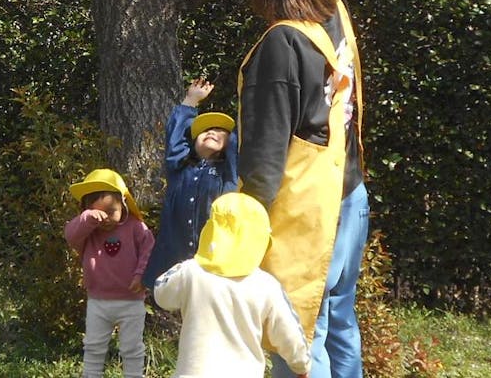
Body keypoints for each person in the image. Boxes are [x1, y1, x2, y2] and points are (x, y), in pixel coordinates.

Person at [221, 0, 369, 378]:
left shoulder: (281, 46)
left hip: (306, 215)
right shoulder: (333, 9)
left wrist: (239, 237)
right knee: (338, 323)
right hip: (349, 197)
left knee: (297, 342)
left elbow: (262, 162)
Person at [153, 192, 311, 378]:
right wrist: (302, 365)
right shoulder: (266, 285)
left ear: (211, 230)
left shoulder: (191, 272)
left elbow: (161, 294)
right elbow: (289, 333)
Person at [141, 77, 239, 289]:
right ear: (193, 141)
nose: (212, 131)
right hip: (173, 259)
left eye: (220, 131)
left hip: (213, 262)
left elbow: (242, 142)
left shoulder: (228, 173)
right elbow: (175, 140)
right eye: (205, 130)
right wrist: (191, 100)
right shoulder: (180, 168)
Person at [63, 168, 155, 378]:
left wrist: (140, 275)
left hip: (131, 300)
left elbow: (148, 249)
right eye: (99, 215)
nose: (105, 220)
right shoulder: (88, 230)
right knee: (94, 348)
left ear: (123, 204)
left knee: (132, 349)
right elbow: (70, 235)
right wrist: (87, 219)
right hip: (98, 301)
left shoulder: (135, 227)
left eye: (111, 212)